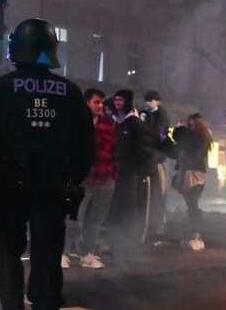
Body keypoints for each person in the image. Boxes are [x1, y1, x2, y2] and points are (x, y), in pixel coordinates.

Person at [0, 18, 92, 310]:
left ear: (16, 49)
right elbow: (84, 146)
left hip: (11, 185)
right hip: (52, 188)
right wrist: (72, 180)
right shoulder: (70, 92)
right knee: (47, 257)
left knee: (7, 251)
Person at [66, 88, 115, 269]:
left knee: (95, 220)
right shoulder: (76, 122)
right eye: (96, 102)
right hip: (82, 177)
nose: (100, 106)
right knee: (73, 219)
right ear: (87, 102)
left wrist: (112, 173)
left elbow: (113, 149)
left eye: (102, 102)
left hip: (103, 176)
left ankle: (88, 253)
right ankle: (64, 252)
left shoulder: (107, 123)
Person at [110, 89, 155, 242]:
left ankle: (130, 240)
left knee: (129, 206)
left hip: (129, 173)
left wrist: (140, 171)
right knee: (116, 206)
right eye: (116, 99)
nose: (117, 103)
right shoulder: (115, 122)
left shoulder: (136, 124)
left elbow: (144, 149)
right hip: (116, 171)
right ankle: (116, 241)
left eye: (120, 100)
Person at [166, 114, 212, 246]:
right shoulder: (195, 138)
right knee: (191, 202)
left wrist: (180, 135)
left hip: (195, 172)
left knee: (192, 202)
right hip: (186, 171)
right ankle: (195, 230)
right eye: (189, 125)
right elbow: (176, 148)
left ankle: (196, 230)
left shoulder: (201, 138)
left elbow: (197, 153)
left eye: (193, 125)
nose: (191, 128)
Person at [141, 91, 170, 237]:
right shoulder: (143, 114)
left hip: (157, 161)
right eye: (147, 100)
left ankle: (158, 227)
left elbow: (161, 136)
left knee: (158, 194)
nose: (148, 103)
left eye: (151, 100)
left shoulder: (162, 116)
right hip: (145, 160)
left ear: (157, 102)